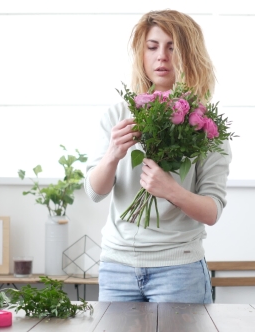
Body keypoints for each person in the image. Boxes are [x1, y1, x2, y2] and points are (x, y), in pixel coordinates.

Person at [85, 9, 232, 303]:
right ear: (142, 54)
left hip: (179, 271)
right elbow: (94, 192)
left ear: (189, 55)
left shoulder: (206, 125)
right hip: (116, 268)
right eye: (152, 47)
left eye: (172, 47)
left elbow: (212, 210)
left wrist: (171, 191)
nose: (161, 56)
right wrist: (113, 155)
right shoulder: (117, 115)